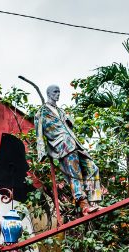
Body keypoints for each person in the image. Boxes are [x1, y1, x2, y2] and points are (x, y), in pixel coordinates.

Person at [35, 85, 103, 215]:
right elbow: (39, 133)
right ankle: (84, 205)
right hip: (62, 146)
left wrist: (68, 119)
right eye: (55, 92)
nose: (58, 94)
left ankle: (94, 201)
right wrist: (41, 152)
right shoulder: (41, 112)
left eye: (59, 92)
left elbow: (70, 125)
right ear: (48, 93)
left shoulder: (60, 111)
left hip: (74, 143)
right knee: (75, 173)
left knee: (92, 167)